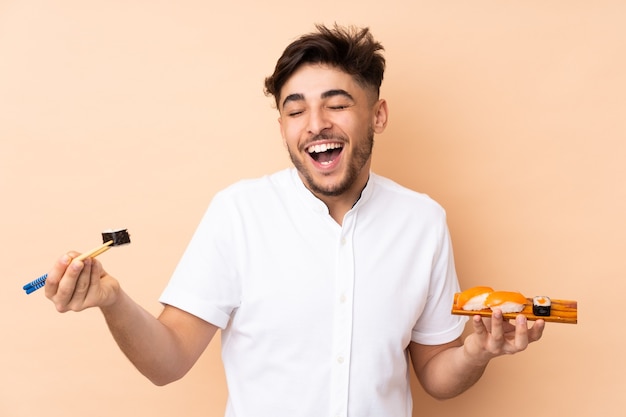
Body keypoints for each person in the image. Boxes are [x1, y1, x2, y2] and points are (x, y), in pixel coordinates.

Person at [44, 24, 545, 417]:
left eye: (338, 104)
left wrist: (477, 351)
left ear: (378, 115)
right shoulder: (238, 214)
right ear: (282, 125)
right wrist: (111, 301)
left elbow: (436, 375)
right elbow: (167, 361)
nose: (315, 124)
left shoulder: (423, 222)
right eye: (295, 110)